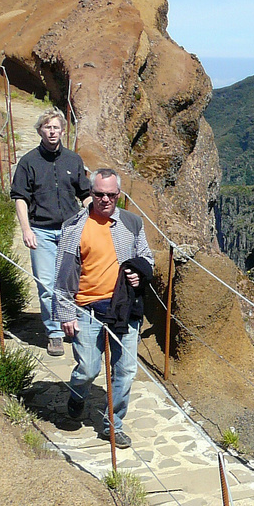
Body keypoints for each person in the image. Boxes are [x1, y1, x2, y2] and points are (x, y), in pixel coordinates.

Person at [54, 169, 154, 448]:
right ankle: (77, 394)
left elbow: (146, 256)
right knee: (87, 369)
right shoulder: (74, 227)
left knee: (125, 370)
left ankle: (114, 425)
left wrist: (139, 273)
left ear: (118, 195)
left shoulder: (132, 223)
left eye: (111, 194)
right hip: (86, 308)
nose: (105, 199)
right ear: (91, 193)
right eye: (99, 194)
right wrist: (65, 314)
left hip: (123, 307)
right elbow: (63, 274)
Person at [10, 109, 90, 357]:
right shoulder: (28, 162)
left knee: (71, 282)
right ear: (40, 131)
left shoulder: (73, 160)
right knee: (46, 283)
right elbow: (20, 197)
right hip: (41, 231)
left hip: (71, 230)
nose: (52, 132)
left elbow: (85, 194)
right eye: (47, 128)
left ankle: (73, 323)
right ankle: (54, 333)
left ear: (63, 131)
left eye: (56, 127)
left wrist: (95, 222)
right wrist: (26, 229)